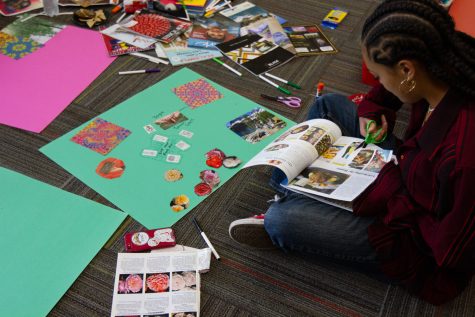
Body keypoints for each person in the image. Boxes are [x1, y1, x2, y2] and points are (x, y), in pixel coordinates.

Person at [228, 0, 475, 305]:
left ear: (407, 70)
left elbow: (448, 251)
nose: (379, 82)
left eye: (379, 75)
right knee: (327, 106)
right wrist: (373, 110)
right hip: (405, 171)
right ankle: (301, 194)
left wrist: (384, 193)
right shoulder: (445, 58)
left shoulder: (464, 158)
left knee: (281, 221)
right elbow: (387, 90)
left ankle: (290, 200)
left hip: (412, 240)